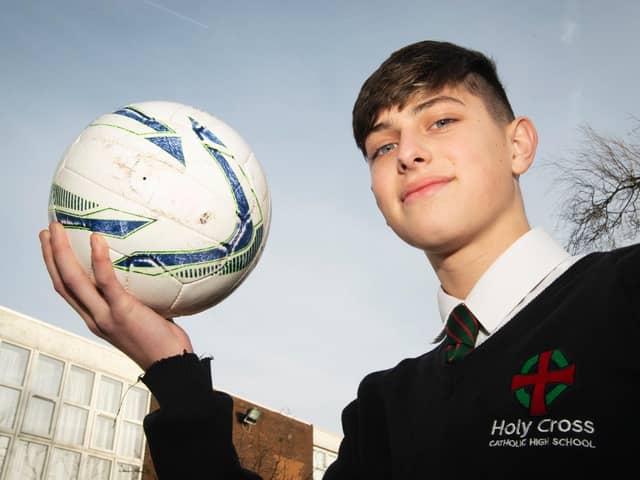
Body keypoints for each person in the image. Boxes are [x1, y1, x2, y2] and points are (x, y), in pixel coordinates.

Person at [40, 40, 639, 478]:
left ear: (518, 144)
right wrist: (172, 370)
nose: (408, 153)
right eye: (383, 145)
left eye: (442, 119)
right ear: (377, 194)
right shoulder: (386, 406)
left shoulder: (623, 298)